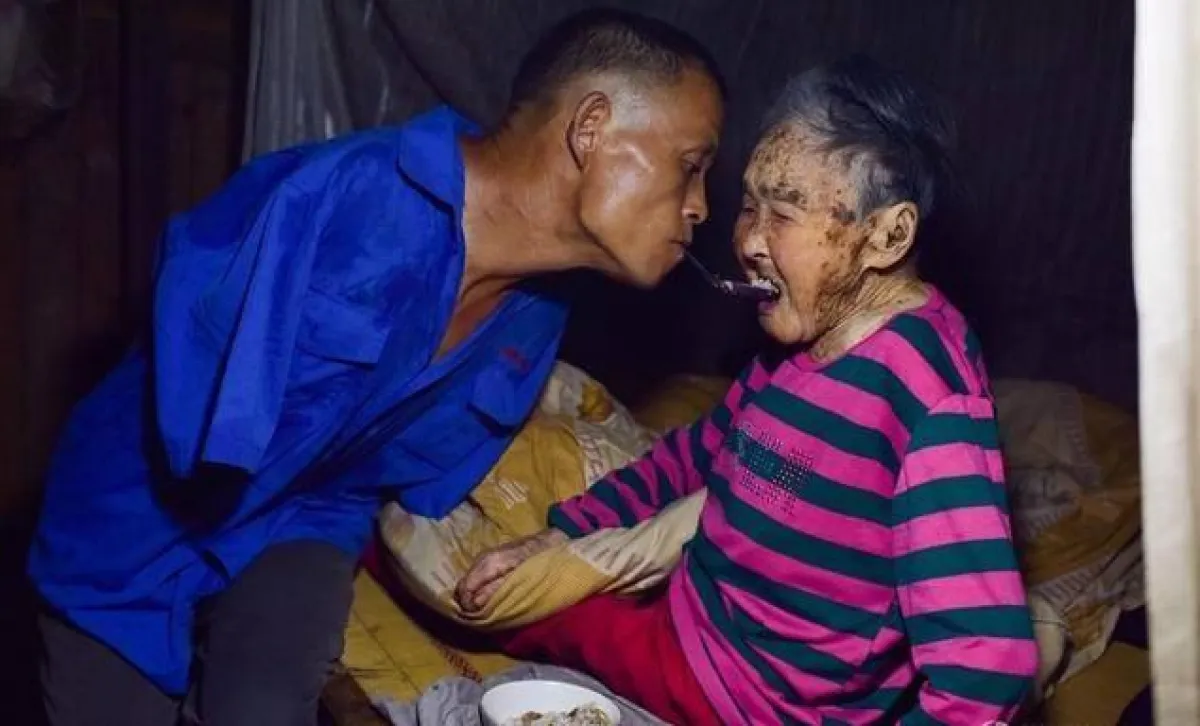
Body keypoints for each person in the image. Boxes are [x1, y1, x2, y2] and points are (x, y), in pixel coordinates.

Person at [29, 10, 724, 726]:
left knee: (266, 706)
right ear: (591, 127)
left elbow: (413, 477)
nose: (701, 206)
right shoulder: (335, 202)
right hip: (138, 524)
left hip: (306, 516)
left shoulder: (537, 315)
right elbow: (193, 410)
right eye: (690, 165)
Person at [458, 56, 1039, 726]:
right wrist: (565, 536)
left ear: (887, 235)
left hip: (750, 703)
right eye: (748, 207)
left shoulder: (928, 401)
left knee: (484, 599)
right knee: (505, 574)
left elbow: (984, 669)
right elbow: (695, 456)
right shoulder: (792, 345)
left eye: (783, 213)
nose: (749, 241)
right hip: (690, 620)